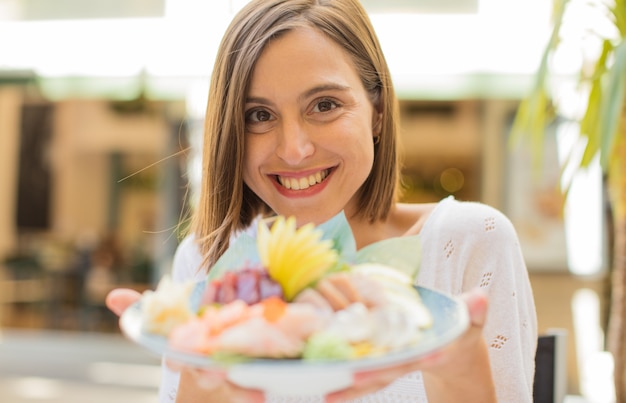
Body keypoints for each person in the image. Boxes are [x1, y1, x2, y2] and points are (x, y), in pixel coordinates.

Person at [106, 0, 537, 401]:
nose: (293, 150)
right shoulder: (205, 263)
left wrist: (460, 369)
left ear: (378, 112)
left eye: (325, 105)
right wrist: (204, 361)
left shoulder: (469, 241)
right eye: (259, 115)